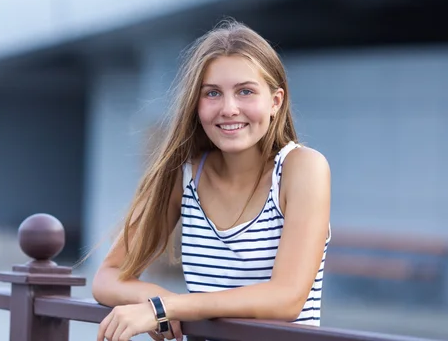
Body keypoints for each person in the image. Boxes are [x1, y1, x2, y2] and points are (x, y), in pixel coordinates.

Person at [92, 19, 331, 341]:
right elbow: (107, 278)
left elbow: (286, 299)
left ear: (275, 101)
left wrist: (168, 308)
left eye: (245, 91)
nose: (229, 108)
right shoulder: (183, 173)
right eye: (213, 93)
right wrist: (158, 303)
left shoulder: (302, 168)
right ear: (196, 103)